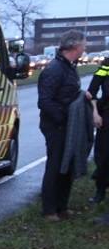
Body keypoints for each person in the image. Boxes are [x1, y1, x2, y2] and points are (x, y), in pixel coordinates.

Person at [37, 30, 101, 220]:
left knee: (68, 166)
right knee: (55, 167)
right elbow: (45, 101)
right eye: (84, 44)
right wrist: (64, 119)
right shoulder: (54, 69)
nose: (85, 48)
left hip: (68, 126)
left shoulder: (69, 68)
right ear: (74, 46)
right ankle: (49, 210)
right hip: (57, 127)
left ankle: (62, 207)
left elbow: (70, 93)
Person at [89, 54, 109, 204]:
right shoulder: (106, 65)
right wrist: (95, 113)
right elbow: (92, 91)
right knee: (103, 155)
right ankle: (100, 190)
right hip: (106, 116)